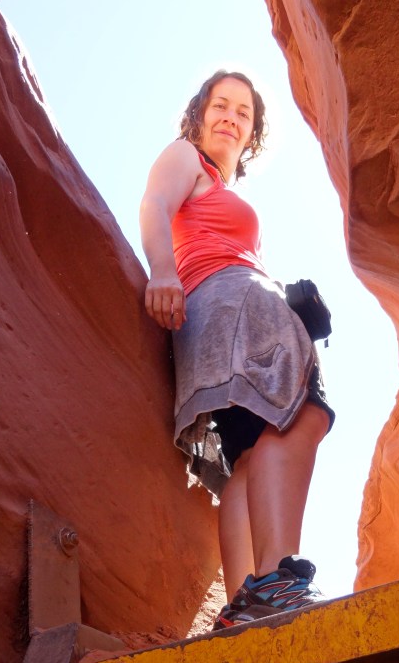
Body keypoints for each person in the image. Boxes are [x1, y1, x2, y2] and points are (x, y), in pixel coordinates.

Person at [139, 69, 334, 628]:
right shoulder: (186, 158)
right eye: (220, 105)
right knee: (303, 412)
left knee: (247, 455)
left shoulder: (219, 188)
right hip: (230, 299)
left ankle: (244, 604)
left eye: (243, 112)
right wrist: (160, 271)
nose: (230, 116)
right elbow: (153, 205)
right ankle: (277, 581)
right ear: (199, 115)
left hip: (210, 320)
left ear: (252, 134)